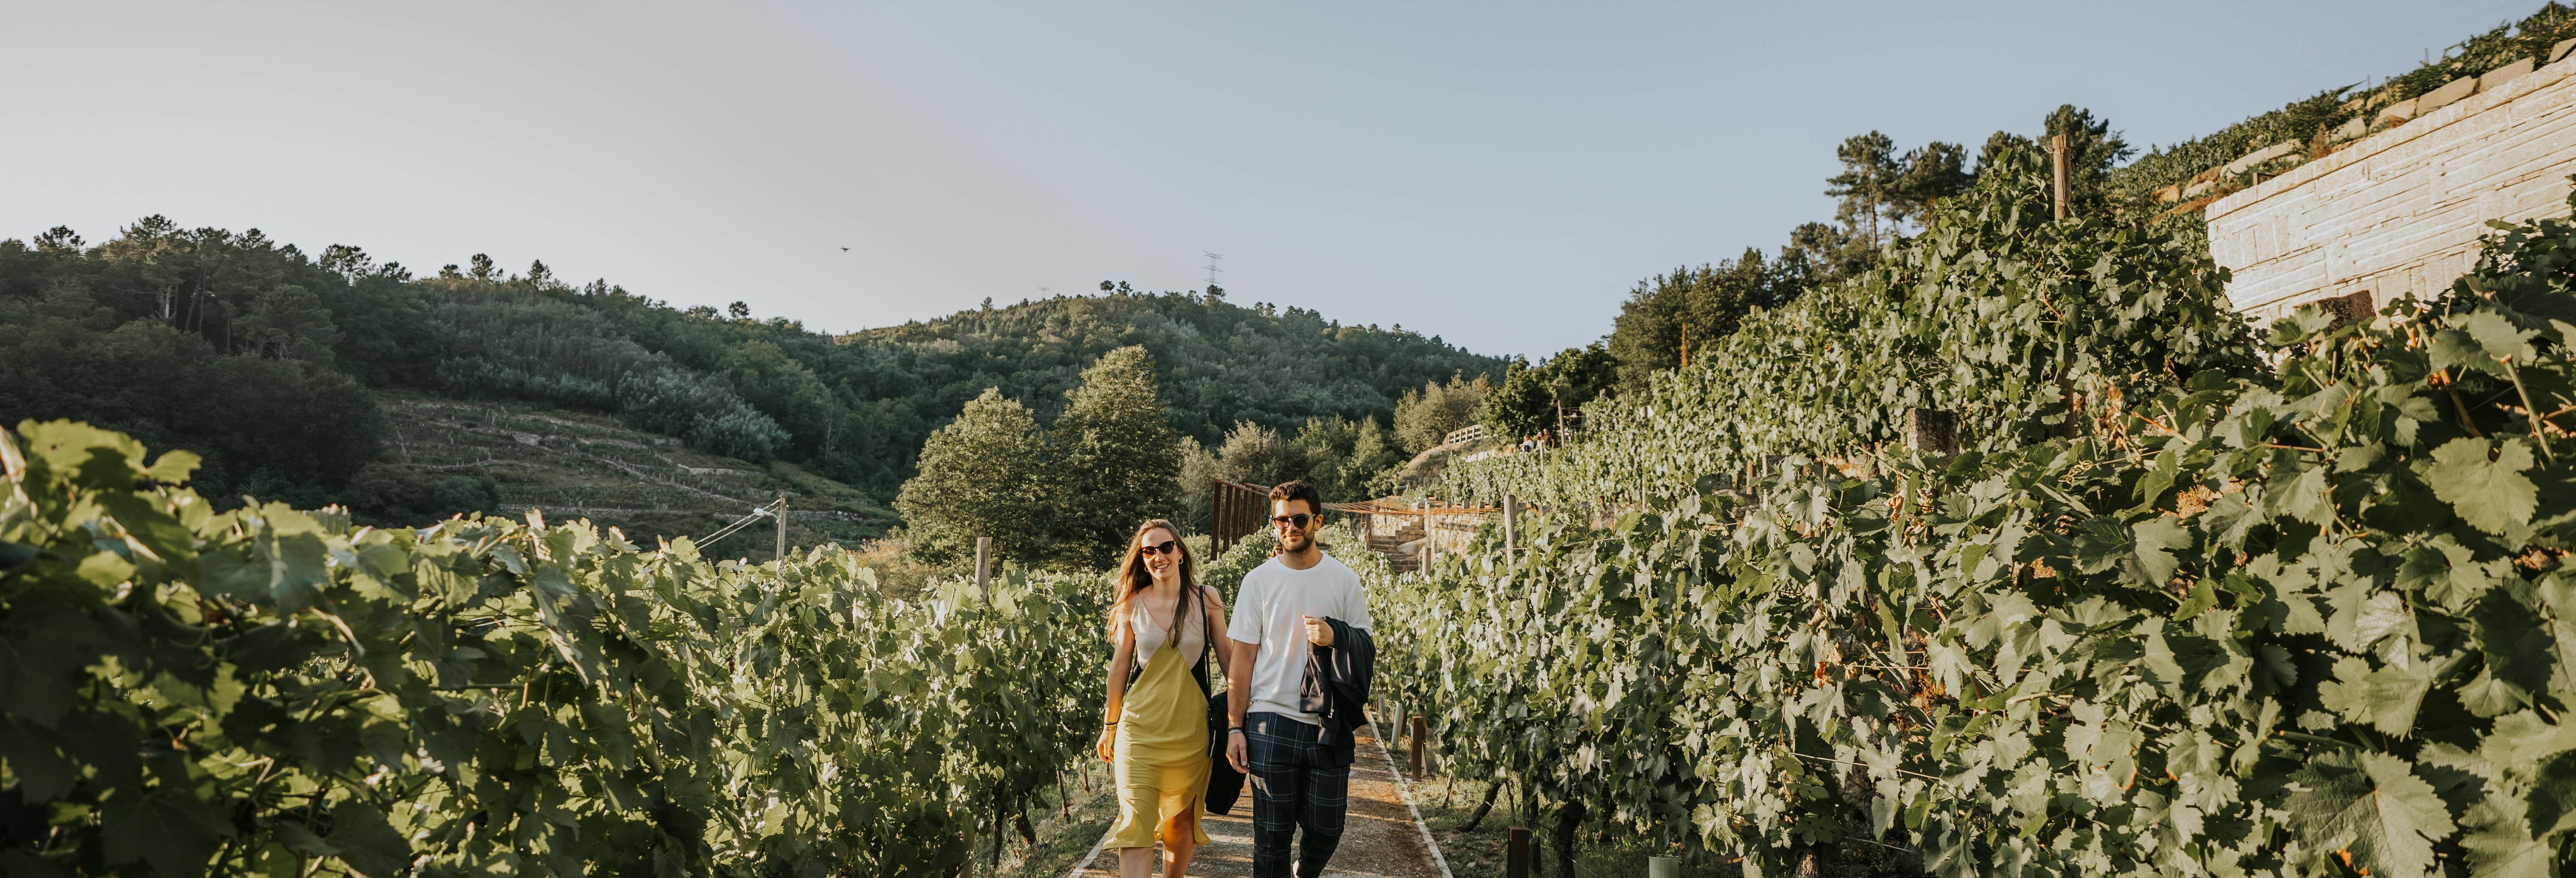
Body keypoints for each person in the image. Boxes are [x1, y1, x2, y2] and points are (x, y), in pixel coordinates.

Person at [1223, 481, 1374, 878]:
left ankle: (1305, 870)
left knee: (1328, 827)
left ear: (1317, 521)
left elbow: (1366, 646)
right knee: (1271, 837)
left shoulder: (1344, 580)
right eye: (1281, 520)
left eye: (1299, 518)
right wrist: (1235, 726)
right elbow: (1242, 660)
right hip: (1269, 719)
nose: (1290, 526)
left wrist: (1336, 634)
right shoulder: (1257, 581)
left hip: (1328, 721)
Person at [1099, 519, 1227, 878]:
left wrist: (1241, 720)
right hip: (1138, 733)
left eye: (1166, 547)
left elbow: (1231, 661)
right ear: (1141, 559)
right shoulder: (1131, 605)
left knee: (1179, 825)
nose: (1159, 556)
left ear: (1181, 552)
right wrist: (1110, 725)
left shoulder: (1207, 600)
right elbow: (1119, 668)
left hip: (1190, 737)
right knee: (1135, 825)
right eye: (1149, 551)